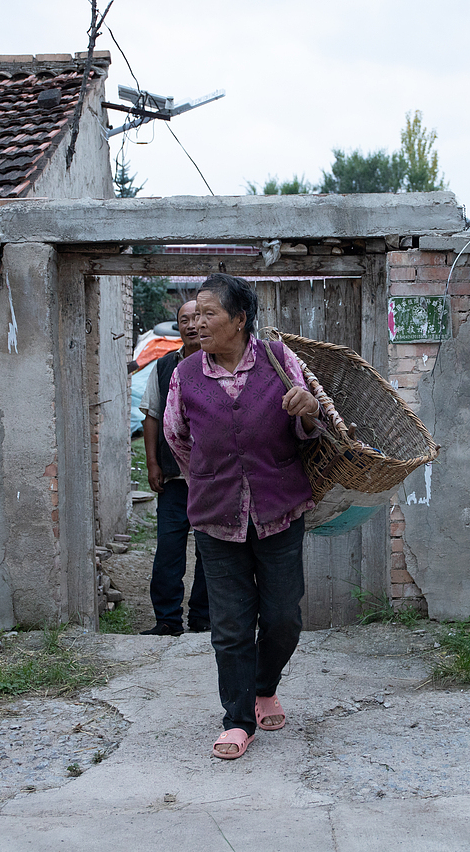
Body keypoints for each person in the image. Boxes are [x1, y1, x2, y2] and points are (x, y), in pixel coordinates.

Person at [163, 273, 323, 760]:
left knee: (283, 618)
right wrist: (213, 482)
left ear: (239, 320)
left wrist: (309, 409)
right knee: (230, 625)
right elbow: (177, 437)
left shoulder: (279, 360)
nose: (199, 323)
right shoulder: (185, 374)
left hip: (279, 508)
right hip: (215, 517)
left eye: (210, 313)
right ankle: (236, 720)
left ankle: (264, 685)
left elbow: (309, 428)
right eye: (196, 313)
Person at [139, 300, 209, 637]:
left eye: (198, 317)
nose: (192, 324)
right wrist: (153, 463)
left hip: (212, 479)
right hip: (174, 479)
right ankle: (167, 620)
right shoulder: (164, 367)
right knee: (168, 551)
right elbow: (152, 415)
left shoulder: (219, 363)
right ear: (178, 326)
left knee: (211, 550)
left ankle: (203, 619)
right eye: (185, 319)